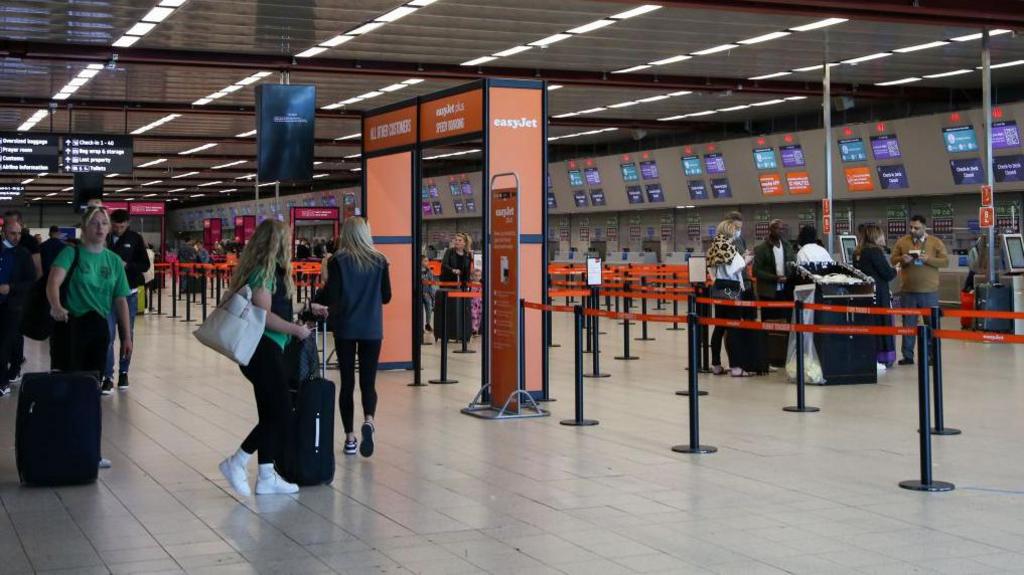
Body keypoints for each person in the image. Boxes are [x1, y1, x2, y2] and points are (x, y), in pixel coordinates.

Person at [218, 220, 309, 496]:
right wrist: (296, 330)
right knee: (282, 412)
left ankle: (267, 474)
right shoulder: (264, 273)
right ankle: (237, 461)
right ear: (277, 243)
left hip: (268, 350)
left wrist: (303, 311)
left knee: (269, 412)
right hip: (263, 351)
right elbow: (264, 317)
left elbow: (272, 310)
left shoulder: (271, 272)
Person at [47, 206, 133, 470]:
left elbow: (121, 300)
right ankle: (63, 447)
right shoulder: (70, 253)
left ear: (109, 228)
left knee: (91, 391)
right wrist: (57, 306)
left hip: (98, 328)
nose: (99, 228)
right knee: (69, 387)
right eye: (94, 223)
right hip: (72, 326)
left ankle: (91, 451)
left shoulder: (113, 261)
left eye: (103, 223)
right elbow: (54, 283)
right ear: (84, 227)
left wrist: (126, 336)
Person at [311, 217, 391, 458]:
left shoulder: (338, 261)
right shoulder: (380, 260)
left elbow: (332, 296)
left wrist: (320, 294)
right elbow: (386, 296)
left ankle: (349, 439)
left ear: (345, 234)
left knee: (347, 383)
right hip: (372, 329)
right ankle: (369, 420)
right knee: (368, 382)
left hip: (345, 328)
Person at [102, 209, 150, 394]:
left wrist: (127, 265)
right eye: (115, 226)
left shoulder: (135, 238)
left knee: (126, 333)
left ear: (128, 224)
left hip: (128, 293)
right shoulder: (104, 238)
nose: (118, 230)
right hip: (106, 295)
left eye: (122, 227)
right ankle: (108, 376)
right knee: (107, 335)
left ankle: (123, 372)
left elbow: (145, 265)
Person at [891, 215, 948, 366]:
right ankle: (908, 355)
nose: (912, 230)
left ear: (924, 228)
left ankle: (932, 355)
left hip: (929, 291)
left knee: (931, 325)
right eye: (911, 227)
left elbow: (945, 261)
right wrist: (902, 259)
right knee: (908, 324)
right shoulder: (902, 242)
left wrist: (928, 259)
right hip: (908, 291)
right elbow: (892, 259)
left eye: (916, 228)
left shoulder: (936, 243)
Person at [707, 219, 757, 377]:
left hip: (719, 290)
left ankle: (715, 364)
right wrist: (746, 259)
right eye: (735, 229)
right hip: (732, 292)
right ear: (730, 231)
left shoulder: (715, 245)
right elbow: (736, 267)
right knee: (734, 329)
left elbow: (713, 268)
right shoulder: (728, 246)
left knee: (719, 328)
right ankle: (736, 367)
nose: (737, 232)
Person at [3, 210, 40, 386]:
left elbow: (31, 279)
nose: (16, 237)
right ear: (4, 231)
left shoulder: (24, 253)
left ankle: (12, 370)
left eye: (19, 233)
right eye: (12, 233)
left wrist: (11, 288)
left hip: (16, 304)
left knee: (13, 338)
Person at [853, 224, 898, 368]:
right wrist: (895, 270)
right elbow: (887, 273)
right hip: (879, 295)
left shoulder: (859, 252)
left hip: (866, 293)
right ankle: (884, 356)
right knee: (882, 323)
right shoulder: (875, 252)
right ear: (876, 236)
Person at [752, 219, 794, 321]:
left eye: (782, 229)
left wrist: (789, 276)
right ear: (770, 229)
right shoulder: (761, 249)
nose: (781, 231)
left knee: (784, 321)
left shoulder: (787, 246)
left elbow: (793, 264)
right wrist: (775, 278)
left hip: (785, 291)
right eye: (777, 228)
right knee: (768, 321)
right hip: (768, 292)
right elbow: (755, 271)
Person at [436, 233, 472, 342]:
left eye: (460, 240)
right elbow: (444, 265)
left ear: (465, 243)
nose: (457, 242)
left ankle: (461, 334)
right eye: (456, 240)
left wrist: (466, 284)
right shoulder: (449, 252)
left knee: (461, 309)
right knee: (448, 310)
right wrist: (453, 270)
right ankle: (446, 334)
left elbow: (467, 272)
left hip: (460, 287)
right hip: (447, 284)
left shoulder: (467, 255)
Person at [420, 255, 436, 333]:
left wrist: (431, 294)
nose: (427, 262)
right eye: (425, 261)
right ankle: (421, 326)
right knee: (421, 310)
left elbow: (431, 283)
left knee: (429, 308)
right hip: (420, 293)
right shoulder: (417, 270)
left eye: (427, 260)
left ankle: (427, 323)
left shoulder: (429, 271)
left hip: (427, 293)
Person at [469, 268, 483, 335]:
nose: (477, 277)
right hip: (473, 302)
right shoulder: (471, 284)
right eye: (476, 275)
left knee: (479, 315)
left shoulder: (481, 284)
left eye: (479, 275)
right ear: (472, 276)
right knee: (474, 315)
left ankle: (477, 329)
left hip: (480, 302)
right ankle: (474, 329)